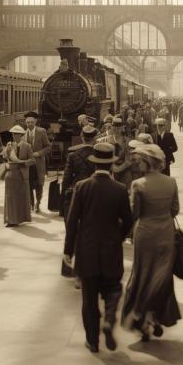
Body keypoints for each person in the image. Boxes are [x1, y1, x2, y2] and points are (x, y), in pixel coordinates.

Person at [63, 143, 134, 353]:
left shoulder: (82, 187)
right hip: (111, 251)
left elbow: (72, 221)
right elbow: (129, 222)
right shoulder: (120, 190)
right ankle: (110, 318)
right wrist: (117, 237)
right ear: (111, 165)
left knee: (89, 298)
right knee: (113, 289)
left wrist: (69, 251)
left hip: (86, 251)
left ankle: (92, 341)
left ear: (94, 164)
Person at [121, 144, 181, 341]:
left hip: (145, 234)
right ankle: (156, 316)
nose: (137, 164)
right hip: (165, 234)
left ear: (148, 162)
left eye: (139, 161)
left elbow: (134, 214)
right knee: (161, 276)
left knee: (143, 275)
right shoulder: (171, 182)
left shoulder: (138, 184)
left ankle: (143, 318)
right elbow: (175, 210)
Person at [62, 125, 97, 218]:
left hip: (77, 187)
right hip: (96, 187)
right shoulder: (99, 154)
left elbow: (67, 177)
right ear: (94, 138)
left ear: (82, 137)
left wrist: (64, 193)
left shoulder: (73, 155)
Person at [1, 126, 33, 226]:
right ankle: (10, 220)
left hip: (21, 174)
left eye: (17, 134)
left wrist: (22, 163)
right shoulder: (10, 145)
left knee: (20, 197)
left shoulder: (27, 146)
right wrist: (7, 150)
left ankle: (19, 219)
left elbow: (32, 160)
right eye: (13, 134)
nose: (14, 136)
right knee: (10, 197)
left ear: (21, 135)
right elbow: (5, 157)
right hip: (10, 174)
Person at [23, 112, 50, 213]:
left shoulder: (41, 131)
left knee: (39, 184)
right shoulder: (24, 134)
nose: (29, 124)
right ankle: (31, 204)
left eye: (31, 122)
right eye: (27, 122)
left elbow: (48, 147)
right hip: (28, 165)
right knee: (28, 184)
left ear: (35, 122)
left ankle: (38, 203)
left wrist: (39, 153)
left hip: (38, 163)